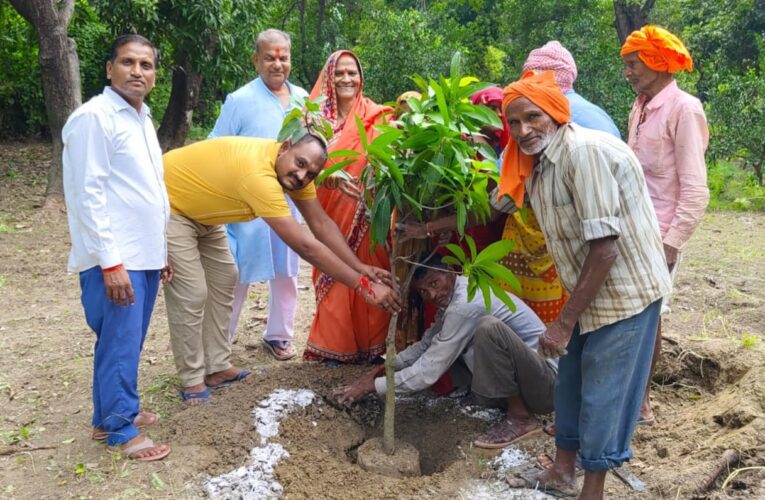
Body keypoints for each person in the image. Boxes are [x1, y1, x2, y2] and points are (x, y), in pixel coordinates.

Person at [501, 71, 671, 499]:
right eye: (515, 123)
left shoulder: (583, 154)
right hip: (587, 292)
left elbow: (606, 250)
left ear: (555, 113)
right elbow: (494, 205)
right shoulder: (536, 165)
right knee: (571, 384)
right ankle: (562, 470)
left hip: (624, 296)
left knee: (603, 398)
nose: (524, 131)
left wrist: (563, 322)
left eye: (532, 118)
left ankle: (592, 490)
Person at [162, 134, 401, 404]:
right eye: (299, 164)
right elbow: (305, 245)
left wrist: (360, 267)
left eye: (311, 173)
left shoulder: (292, 174)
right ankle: (192, 380)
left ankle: (217, 367)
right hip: (170, 206)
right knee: (192, 292)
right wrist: (363, 285)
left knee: (226, 277)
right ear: (285, 147)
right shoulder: (259, 176)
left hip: (204, 212)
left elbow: (320, 224)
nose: (301, 175)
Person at [62, 34, 171, 462]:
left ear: (155, 74)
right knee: (120, 343)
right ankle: (121, 429)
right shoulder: (95, 118)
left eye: (146, 65)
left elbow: (146, 191)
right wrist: (111, 263)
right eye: (128, 62)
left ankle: (105, 414)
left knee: (122, 342)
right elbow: (87, 195)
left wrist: (162, 253)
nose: (138, 71)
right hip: (117, 258)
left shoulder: (141, 119)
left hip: (143, 255)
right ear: (110, 68)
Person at [333, 255, 557, 449]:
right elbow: (427, 344)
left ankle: (521, 418)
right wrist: (386, 367)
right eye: (423, 291)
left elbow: (430, 368)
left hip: (546, 386)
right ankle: (484, 398)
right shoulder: (453, 297)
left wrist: (373, 386)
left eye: (435, 283)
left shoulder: (465, 303)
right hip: (526, 383)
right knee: (449, 339)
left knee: (487, 329)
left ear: (450, 272)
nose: (431, 294)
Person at [621, 25, 710, 424]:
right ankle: (626, 390)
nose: (628, 72)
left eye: (633, 64)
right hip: (631, 226)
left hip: (659, 234)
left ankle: (640, 400)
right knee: (627, 313)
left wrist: (670, 245)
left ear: (657, 63)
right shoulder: (639, 106)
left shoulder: (684, 109)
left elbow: (695, 188)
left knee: (649, 316)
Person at [208, 29, 307, 361]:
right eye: (269, 57)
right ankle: (220, 342)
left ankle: (279, 336)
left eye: (283, 57)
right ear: (256, 60)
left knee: (286, 273)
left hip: (288, 202)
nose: (277, 64)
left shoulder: (303, 99)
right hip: (246, 204)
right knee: (237, 274)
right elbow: (215, 147)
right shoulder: (240, 100)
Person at [303, 50, 394, 364]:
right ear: (329, 77)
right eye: (339, 73)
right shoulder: (314, 123)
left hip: (371, 218)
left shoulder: (378, 116)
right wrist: (329, 180)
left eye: (352, 73)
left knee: (375, 275)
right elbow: (301, 174)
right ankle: (335, 351)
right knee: (337, 278)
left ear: (361, 77)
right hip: (328, 217)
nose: (346, 79)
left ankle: (375, 350)